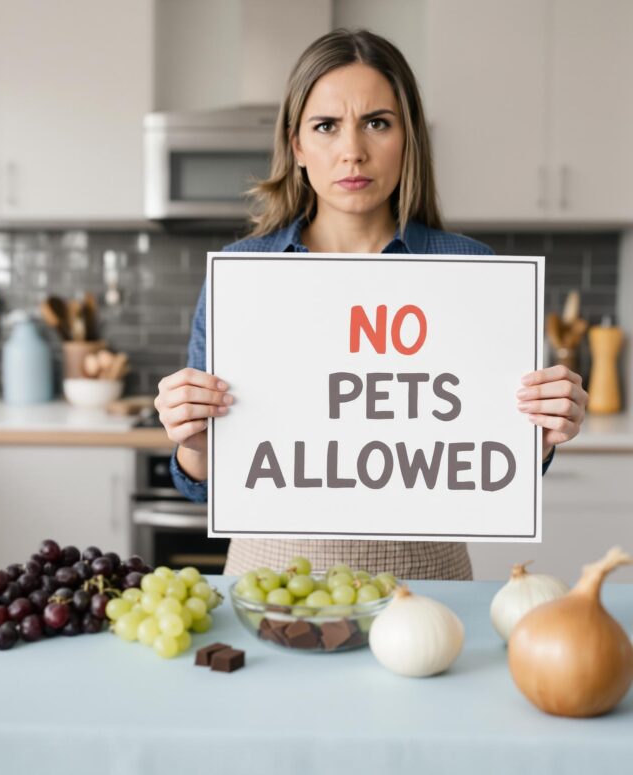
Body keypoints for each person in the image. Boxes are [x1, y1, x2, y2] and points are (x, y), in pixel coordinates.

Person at [154, 29, 588, 579]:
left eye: (377, 123)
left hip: (426, 581)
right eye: (326, 126)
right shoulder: (243, 277)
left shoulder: (470, 273)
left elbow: (497, 463)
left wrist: (541, 434)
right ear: (297, 146)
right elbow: (202, 484)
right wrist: (195, 441)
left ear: (408, 138)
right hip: (273, 577)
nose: (352, 150)